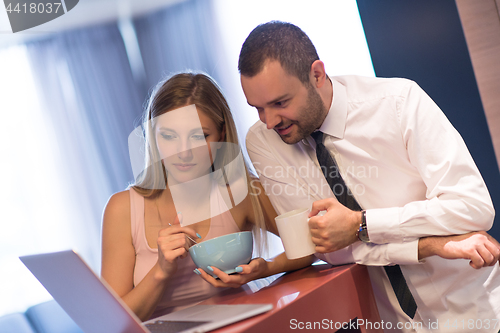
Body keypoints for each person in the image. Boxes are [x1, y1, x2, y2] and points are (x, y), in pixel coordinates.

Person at [239, 21, 500, 332]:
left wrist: (361, 224)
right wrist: (430, 244)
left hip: (475, 313)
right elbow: (325, 248)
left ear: (317, 75)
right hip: (390, 323)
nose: (269, 122)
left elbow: (473, 207)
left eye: (280, 103)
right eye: (257, 108)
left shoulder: (399, 102)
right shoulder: (262, 142)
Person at [101, 72, 313, 321]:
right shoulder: (122, 209)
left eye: (199, 136)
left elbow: (308, 247)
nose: (183, 152)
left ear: (221, 136)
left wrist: (263, 269)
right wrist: (161, 271)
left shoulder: (239, 191)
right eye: (168, 136)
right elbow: (111, 323)